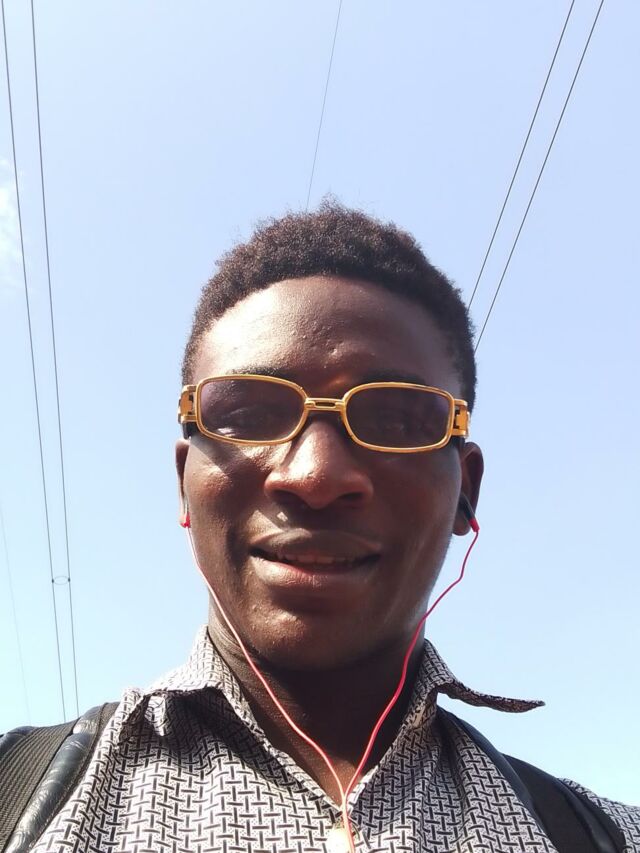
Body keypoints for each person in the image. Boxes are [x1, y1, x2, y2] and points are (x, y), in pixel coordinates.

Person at [1, 204, 638, 852]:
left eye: (396, 419)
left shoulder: (608, 836)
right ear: (184, 480)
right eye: (248, 413)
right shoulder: (18, 798)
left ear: (465, 493)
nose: (316, 475)